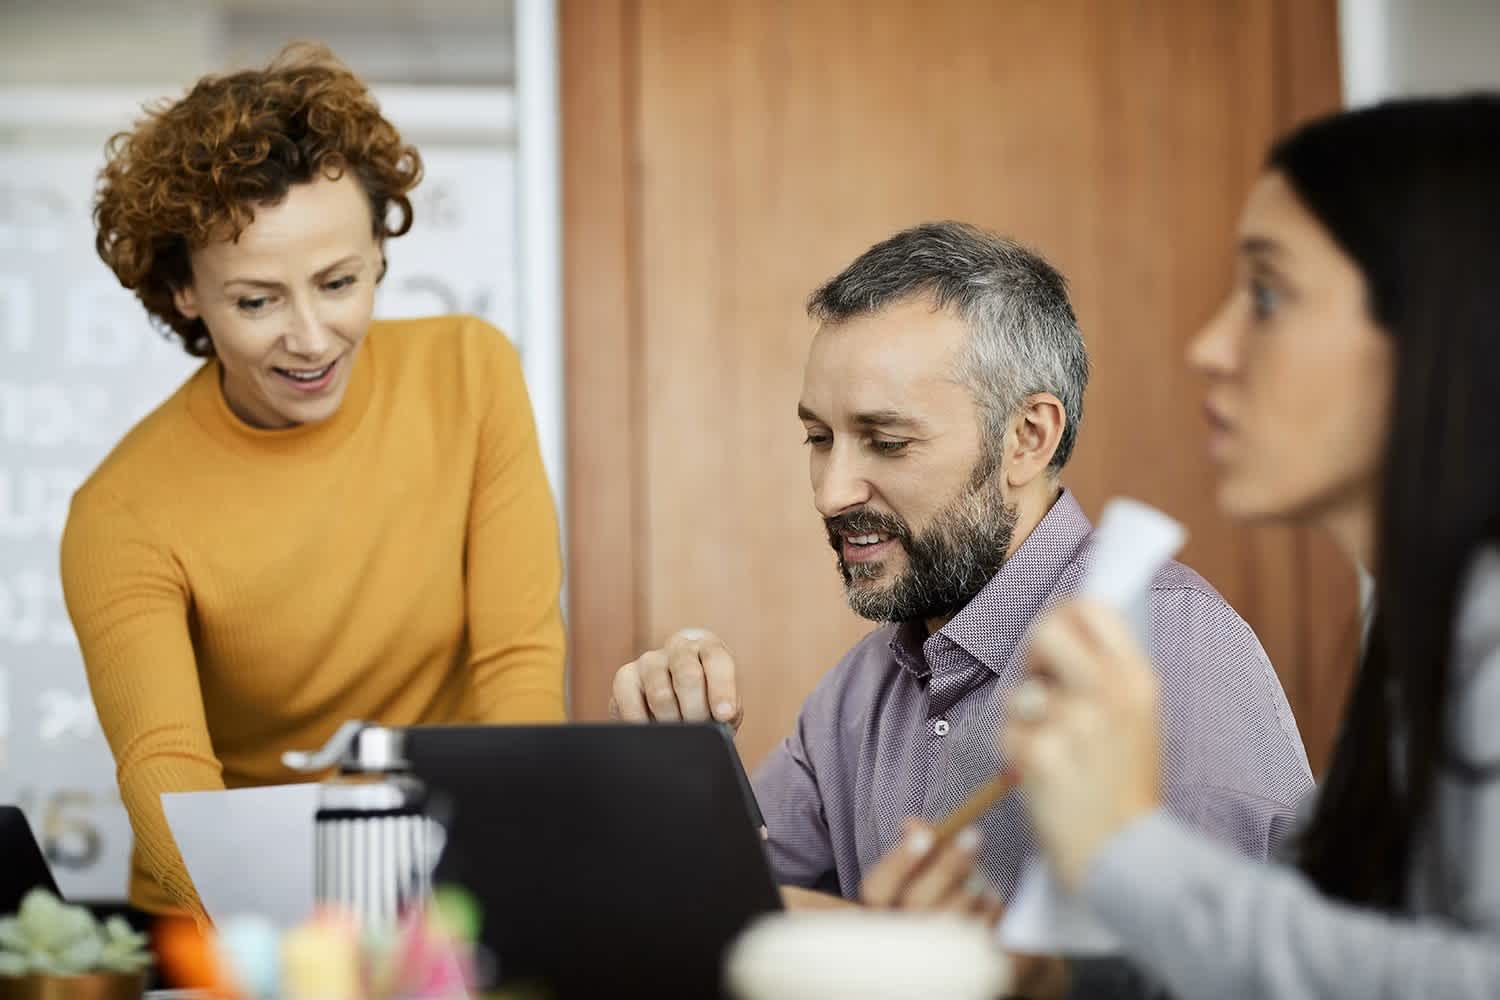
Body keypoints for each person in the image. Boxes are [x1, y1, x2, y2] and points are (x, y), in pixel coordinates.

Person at [913, 96, 1500, 998]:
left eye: (1266, 294)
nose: (1209, 346)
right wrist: (1044, 974)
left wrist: (1120, 849)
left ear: (1443, 327)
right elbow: (1297, 945)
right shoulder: (1413, 651)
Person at [611, 222, 1314, 919]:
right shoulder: (856, 696)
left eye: (887, 442)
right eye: (819, 440)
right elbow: (719, 919)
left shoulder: (1173, 646)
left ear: (1028, 438)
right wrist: (678, 765)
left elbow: (1210, 973)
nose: (830, 493)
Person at [63, 45, 566, 919]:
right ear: (186, 292)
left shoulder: (471, 375)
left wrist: (503, 883)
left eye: (338, 283)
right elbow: (168, 773)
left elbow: (518, 668)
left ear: (380, 249)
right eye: (257, 301)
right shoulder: (121, 512)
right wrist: (278, 944)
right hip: (228, 916)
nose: (311, 337)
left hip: (441, 883)